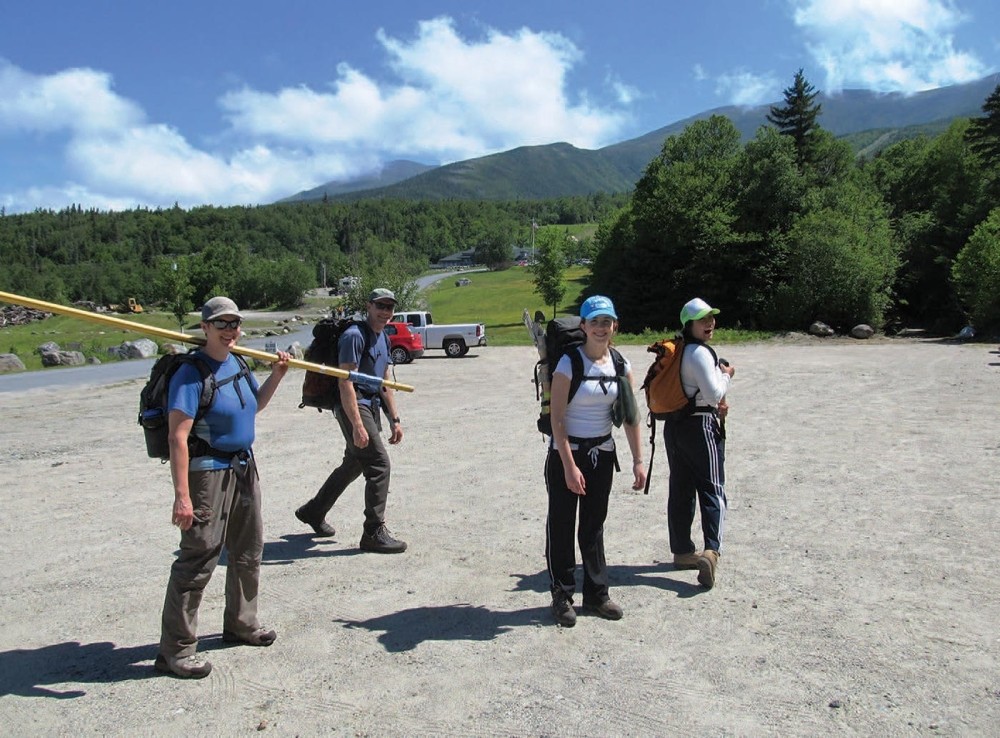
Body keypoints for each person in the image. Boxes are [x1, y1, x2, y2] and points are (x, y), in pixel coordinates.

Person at [157, 296, 291, 679]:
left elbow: (254, 407)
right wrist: (182, 496)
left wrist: (277, 375)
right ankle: (176, 651)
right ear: (205, 329)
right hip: (208, 473)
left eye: (234, 324)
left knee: (248, 550)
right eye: (222, 324)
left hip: (244, 466)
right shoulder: (191, 374)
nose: (231, 330)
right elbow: (177, 438)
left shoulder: (239, 362)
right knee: (199, 557)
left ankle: (241, 624)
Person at [545, 295, 646, 627]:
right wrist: (569, 465)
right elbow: (557, 418)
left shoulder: (619, 365)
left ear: (614, 326)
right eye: (595, 322)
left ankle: (597, 594)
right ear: (584, 326)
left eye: (607, 322)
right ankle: (562, 595)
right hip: (566, 453)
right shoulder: (568, 364)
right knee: (562, 524)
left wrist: (637, 461)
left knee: (593, 525)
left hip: (601, 454)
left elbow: (631, 417)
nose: (601, 328)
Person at [294, 288, 407, 553]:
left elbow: (384, 382)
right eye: (380, 306)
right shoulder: (354, 336)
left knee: (355, 463)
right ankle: (373, 532)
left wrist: (395, 418)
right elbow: (345, 382)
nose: (385, 312)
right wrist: (357, 424)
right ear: (369, 306)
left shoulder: (384, 339)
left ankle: (314, 510)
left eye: (389, 307)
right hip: (353, 405)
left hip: (371, 403)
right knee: (379, 464)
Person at [664, 297, 735, 590]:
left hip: (675, 426)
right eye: (703, 319)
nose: (709, 324)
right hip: (700, 426)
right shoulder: (699, 354)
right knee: (712, 488)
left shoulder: (679, 351)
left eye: (711, 318)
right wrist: (727, 374)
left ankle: (682, 551)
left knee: (681, 488)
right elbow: (715, 392)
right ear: (688, 324)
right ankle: (711, 550)